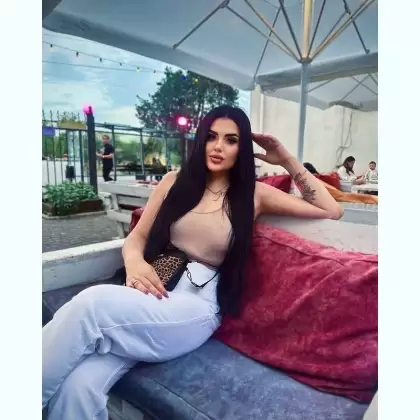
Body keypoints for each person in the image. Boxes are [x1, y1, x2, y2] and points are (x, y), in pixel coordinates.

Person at [42, 106, 343, 420]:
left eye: (230, 140)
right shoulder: (175, 181)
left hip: (197, 306)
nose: (218, 147)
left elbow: (331, 210)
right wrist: (134, 263)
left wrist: (286, 159)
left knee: (92, 305)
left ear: (241, 148)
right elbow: (137, 236)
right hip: (154, 288)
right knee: (79, 386)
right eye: (211, 136)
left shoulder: (253, 194)